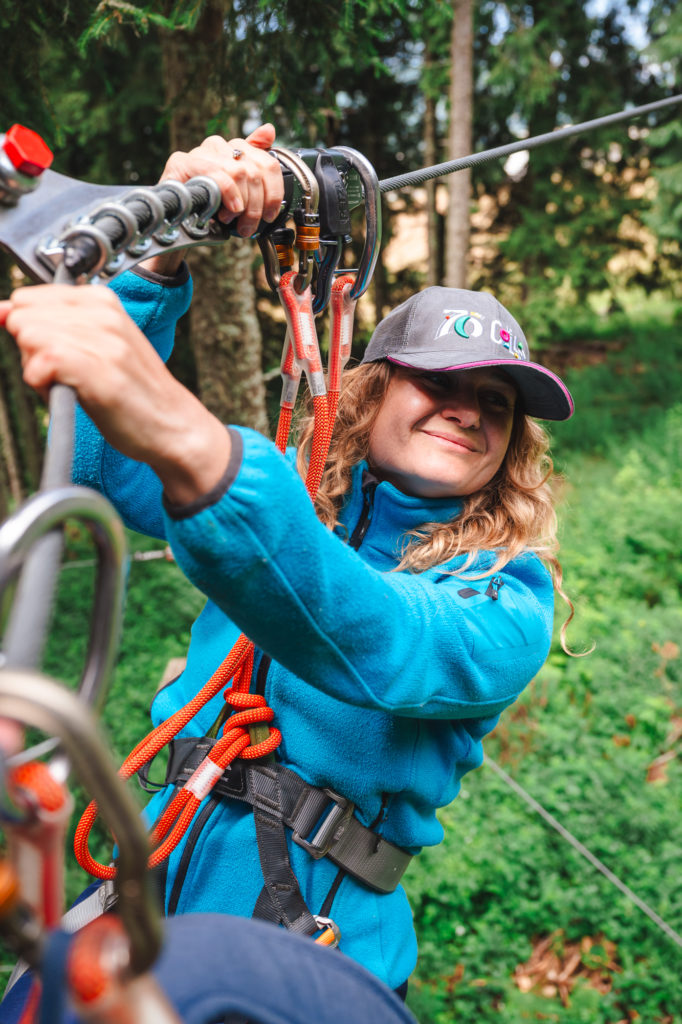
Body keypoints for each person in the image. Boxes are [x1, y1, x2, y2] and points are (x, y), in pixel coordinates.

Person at [0, 124, 574, 997]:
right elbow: (102, 469)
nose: (468, 411)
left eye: (494, 400)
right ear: (371, 390)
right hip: (142, 891)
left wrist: (197, 444)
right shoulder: (304, 505)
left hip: (307, 952)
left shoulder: (506, 594)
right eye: (437, 381)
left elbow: (385, 638)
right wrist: (159, 255)